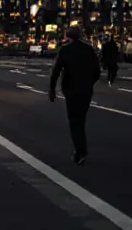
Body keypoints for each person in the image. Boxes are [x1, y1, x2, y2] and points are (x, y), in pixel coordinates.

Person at [49, 25, 101, 165]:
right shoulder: (89, 49)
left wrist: (52, 89)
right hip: (85, 90)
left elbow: (56, 71)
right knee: (81, 120)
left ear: (68, 36)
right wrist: (89, 83)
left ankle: (80, 150)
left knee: (74, 121)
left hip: (71, 90)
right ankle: (80, 150)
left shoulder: (66, 50)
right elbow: (97, 72)